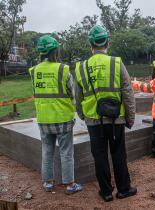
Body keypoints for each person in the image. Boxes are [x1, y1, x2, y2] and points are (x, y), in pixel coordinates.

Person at [74, 25, 136, 202]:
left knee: (99, 156)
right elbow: (128, 92)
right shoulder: (116, 63)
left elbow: (77, 98)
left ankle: (106, 192)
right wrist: (129, 118)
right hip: (116, 120)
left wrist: (82, 115)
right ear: (108, 42)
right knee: (118, 154)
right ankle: (124, 189)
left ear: (90, 45)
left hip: (94, 121)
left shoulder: (81, 67)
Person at [29, 35, 82, 194]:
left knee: (47, 150)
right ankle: (70, 185)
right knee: (66, 152)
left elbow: (36, 93)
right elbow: (72, 93)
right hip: (63, 118)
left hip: (44, 118)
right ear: (55, 50)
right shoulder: (62, 69)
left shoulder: (34, 71)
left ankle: (48, 183)